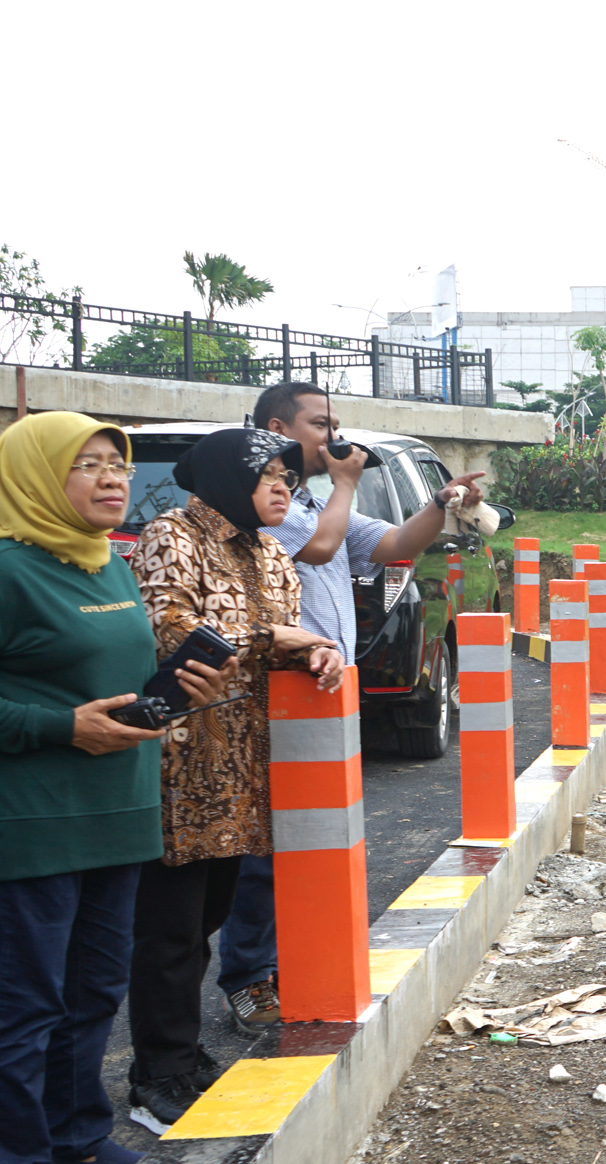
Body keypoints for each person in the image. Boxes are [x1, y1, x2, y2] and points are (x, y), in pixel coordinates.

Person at [0, 413, 231, 1164]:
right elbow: (51, 708)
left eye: (117, 465)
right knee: (24, 1003)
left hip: (121, 815)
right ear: (33, 477)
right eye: (85, 465)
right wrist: (61, 727)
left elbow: (118, 680)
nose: (110, 479)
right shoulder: (9, 569)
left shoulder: (111, 563)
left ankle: (76, 1136)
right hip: (34, 825)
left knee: (94, 988)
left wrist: (171, 693)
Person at [211, 383, 486, 1034]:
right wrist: (346, 483)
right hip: (272, 689)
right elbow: (323, 548)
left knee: (314, 839)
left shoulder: (309, 499)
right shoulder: (265, 503)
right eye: (320, 422)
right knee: (266, 849)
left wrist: (441, 507)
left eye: (337, 422)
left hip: (322, 692)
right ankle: (250, 974)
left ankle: (294, 962)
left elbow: (390, 544)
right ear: (278, 426)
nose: (335, 434)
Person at [127, 429, 343, 1132]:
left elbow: (289, 639)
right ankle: (155, 1073)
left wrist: (317, 657)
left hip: (246, 766)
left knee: (209, 917)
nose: (284, 488)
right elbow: (169, 631)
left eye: (288, 477)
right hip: (183, 762)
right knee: (170, 928)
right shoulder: (174, 533)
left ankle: (184, 1058)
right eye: (270, 476)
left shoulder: (271, 552)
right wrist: (273, 639)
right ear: (228, 478)